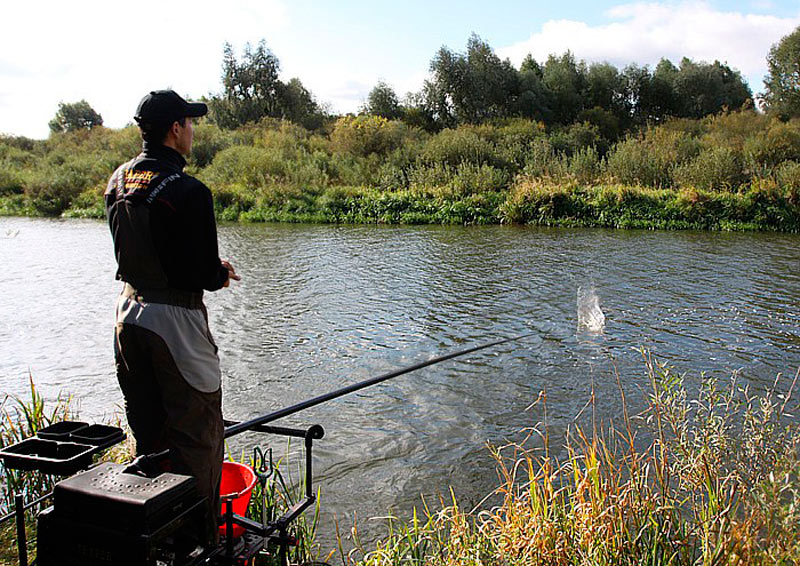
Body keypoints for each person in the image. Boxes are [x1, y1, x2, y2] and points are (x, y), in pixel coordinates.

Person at [105, 90, 240, 544]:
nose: (193, 130)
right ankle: (198, 545)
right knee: (199, 438)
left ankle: (150, 537)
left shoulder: (117, 181)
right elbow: (202, 275)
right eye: (189, 121)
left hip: (128, 316)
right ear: (175, 129)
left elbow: (140, 253)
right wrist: (220, 275)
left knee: (149, 433)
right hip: (174, 324)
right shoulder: (189, 191)